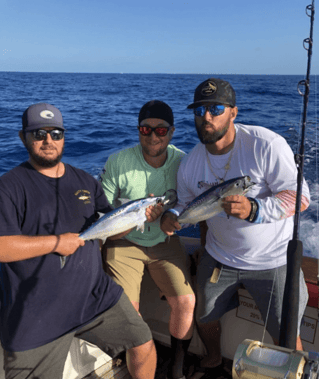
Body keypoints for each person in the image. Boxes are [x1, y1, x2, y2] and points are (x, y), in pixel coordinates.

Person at [160, 78, 310, 379]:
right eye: (199, 110)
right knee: (203, 316)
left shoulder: (265, 144)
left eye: (216, 108)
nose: (207, 116)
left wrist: (255, 209)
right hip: (218, 256)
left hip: (274, 260)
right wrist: (172, 216)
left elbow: (300, 197)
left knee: (286, 333)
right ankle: (214, 358)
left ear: (234, 112)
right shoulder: (191, 163)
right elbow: (186, 205)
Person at [0, 103, 157, 379]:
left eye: (56, 133)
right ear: (22, 136)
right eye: (38, 134)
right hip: (37, 314)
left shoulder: (85, 180)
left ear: (64, 136)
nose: (48, 141)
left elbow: (111, 227)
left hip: (96, 297)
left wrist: (136, 218)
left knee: (143, 342)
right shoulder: (9, 187)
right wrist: (56, 243)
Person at [99, 100, 196, 379]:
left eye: (161, 130)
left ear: (173, 132)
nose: (153, 135)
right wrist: (130, 223)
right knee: (130, 313)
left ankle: (176, 370)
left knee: (186, 301)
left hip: (164, 243)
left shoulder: (184, 162)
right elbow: (102, 216)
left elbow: (189, 208)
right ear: (138, 131)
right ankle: (140, 362)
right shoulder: (118, 161)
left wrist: (170, 219)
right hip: (123, 242)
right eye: (146, 129)